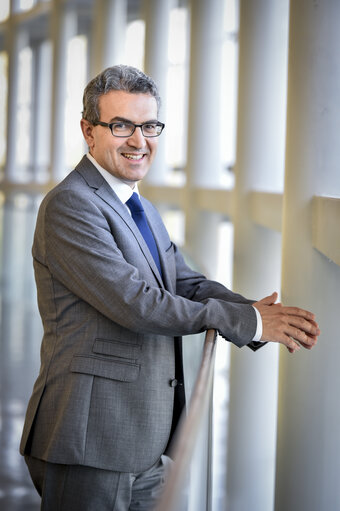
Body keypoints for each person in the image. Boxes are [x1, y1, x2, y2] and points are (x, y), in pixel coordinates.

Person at [20, 65, 320, 510]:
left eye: (149, 126)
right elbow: (136, 304)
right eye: (121, 126)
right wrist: (251, 324)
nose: (139, 141)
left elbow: (184, 281)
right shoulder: (71, 206)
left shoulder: (135, 201)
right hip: (90, 440)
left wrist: (251, 309)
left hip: (141, 436)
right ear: (89, 131)